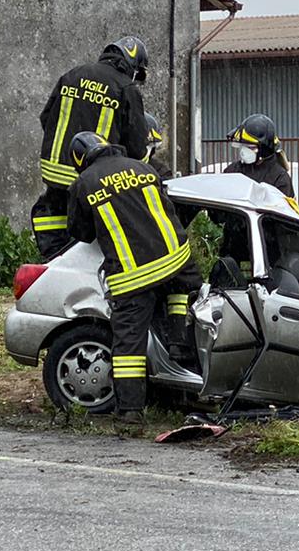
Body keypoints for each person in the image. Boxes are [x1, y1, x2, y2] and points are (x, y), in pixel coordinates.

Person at [65, 130, 199, 430]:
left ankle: (130, 413)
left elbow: (82, 233)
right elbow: (169, 208)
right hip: (176, 259)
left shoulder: (84, 183)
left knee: (128, 347)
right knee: (178, 290)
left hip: (133, 276)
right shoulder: (143, 167)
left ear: (78, 160)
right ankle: (178, 343)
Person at [31, 35, 150, 261]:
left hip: (54, 173)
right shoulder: (126, 87)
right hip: (92, 178)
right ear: (133, 65)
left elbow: (46, 117)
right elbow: (136, 145)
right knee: (96, 230)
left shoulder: (72, 75)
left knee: (56, 218)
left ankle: (55, 261)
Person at [224, 114, 298, 209]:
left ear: (264, 149)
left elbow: (283, 217)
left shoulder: (280, 178)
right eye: (242, 146)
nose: (243, 151)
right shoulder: (232, 170)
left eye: (250, 147)